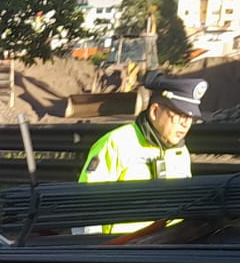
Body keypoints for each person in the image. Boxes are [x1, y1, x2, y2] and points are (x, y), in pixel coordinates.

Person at [78, 70, 208, 235]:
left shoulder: (181, 152)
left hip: (167, 247)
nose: (185, 124)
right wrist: (91, 255)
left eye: (190, 118)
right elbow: (85, 203)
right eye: (179, 115)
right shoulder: (116, 143)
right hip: (120, 250)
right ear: (154, 111)